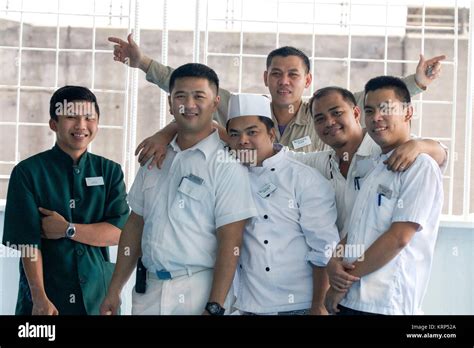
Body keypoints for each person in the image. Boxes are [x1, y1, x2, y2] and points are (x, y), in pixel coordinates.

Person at [108, 33, 445, 167]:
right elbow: (197, 95)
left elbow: (372, 100)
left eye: (293, 75)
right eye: (276, 74)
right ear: (265, 78)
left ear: (307, 80)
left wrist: (417, 82)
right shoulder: (245, 110)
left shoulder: (324, 111)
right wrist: (143, 64)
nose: (284, 81)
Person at [100, 63, 257, 315]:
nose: (189, 104)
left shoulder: (227, 163)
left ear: (215, 103)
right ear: (170, 103)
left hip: (199, 290)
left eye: (199, 96)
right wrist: (114, 289)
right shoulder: (155, 157)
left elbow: (231, 240)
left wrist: (214, 306)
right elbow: (135, 224)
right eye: (181, 96)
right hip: (148, 291)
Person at [2, 86, 129, 315]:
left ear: (97, 123)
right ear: (54, 124)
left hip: (97, 299)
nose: (81, 125)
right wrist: (39, 297)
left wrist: (67, 229)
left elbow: (118, 232)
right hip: (47, 300)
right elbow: (27, 244)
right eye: (71, 117)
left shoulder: (110, 171)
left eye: (89, 117)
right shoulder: (28, 172)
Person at [324, 76, 444, 315]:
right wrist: (333, 264)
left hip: (386, 304)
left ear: (408, 113)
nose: (376, 117)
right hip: (352, 300)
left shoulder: (420, 166)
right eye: (370, 110)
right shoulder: (375, 166)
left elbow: (399, 237)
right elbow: (357, 227)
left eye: (386, 109)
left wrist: (342, 284)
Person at [225, 93, 339, 315]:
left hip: (298, 305)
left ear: (271, 133)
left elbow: (324, 247)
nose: (243, 141)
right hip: (247, 304)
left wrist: (319, 305)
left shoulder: (303, 178)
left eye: (252, 132)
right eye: (234, 134)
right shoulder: (228, 176)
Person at [288, 86, 447, 234]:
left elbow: (439, 155)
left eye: (337, 113)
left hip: (383, 261)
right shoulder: (324, 162)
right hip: (342, 259)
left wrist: (419, 145)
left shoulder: (383, 149)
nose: (329, 122)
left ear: (356, 114)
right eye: (320, 119)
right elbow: (284, 157)